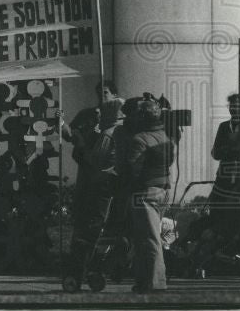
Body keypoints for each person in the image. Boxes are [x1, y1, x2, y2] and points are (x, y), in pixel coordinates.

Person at [66, 97, 124, 277]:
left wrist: (82, 145)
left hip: (100, 186)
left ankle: (82, 266)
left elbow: (94, 160)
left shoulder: (107, 133)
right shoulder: (121, 131)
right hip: (115, 186)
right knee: (107, 229)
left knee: (92, 227)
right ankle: (101, 266)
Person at [122, 98, 175, 293]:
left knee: (149, 238)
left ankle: (155, 283)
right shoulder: (166, 137)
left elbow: (133, 168)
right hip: (162, 190)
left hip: (144, 192)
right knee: (149, 237)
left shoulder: (140, 139)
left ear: (142, 117)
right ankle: (145, 281)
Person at [209, 93, 240, 261]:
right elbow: (215, 152)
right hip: (224, 178)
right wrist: (230, 149)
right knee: (218, 212)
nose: (234, 109)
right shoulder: (223, 126)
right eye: (231, 106)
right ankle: (221, 252)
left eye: (238, 106)